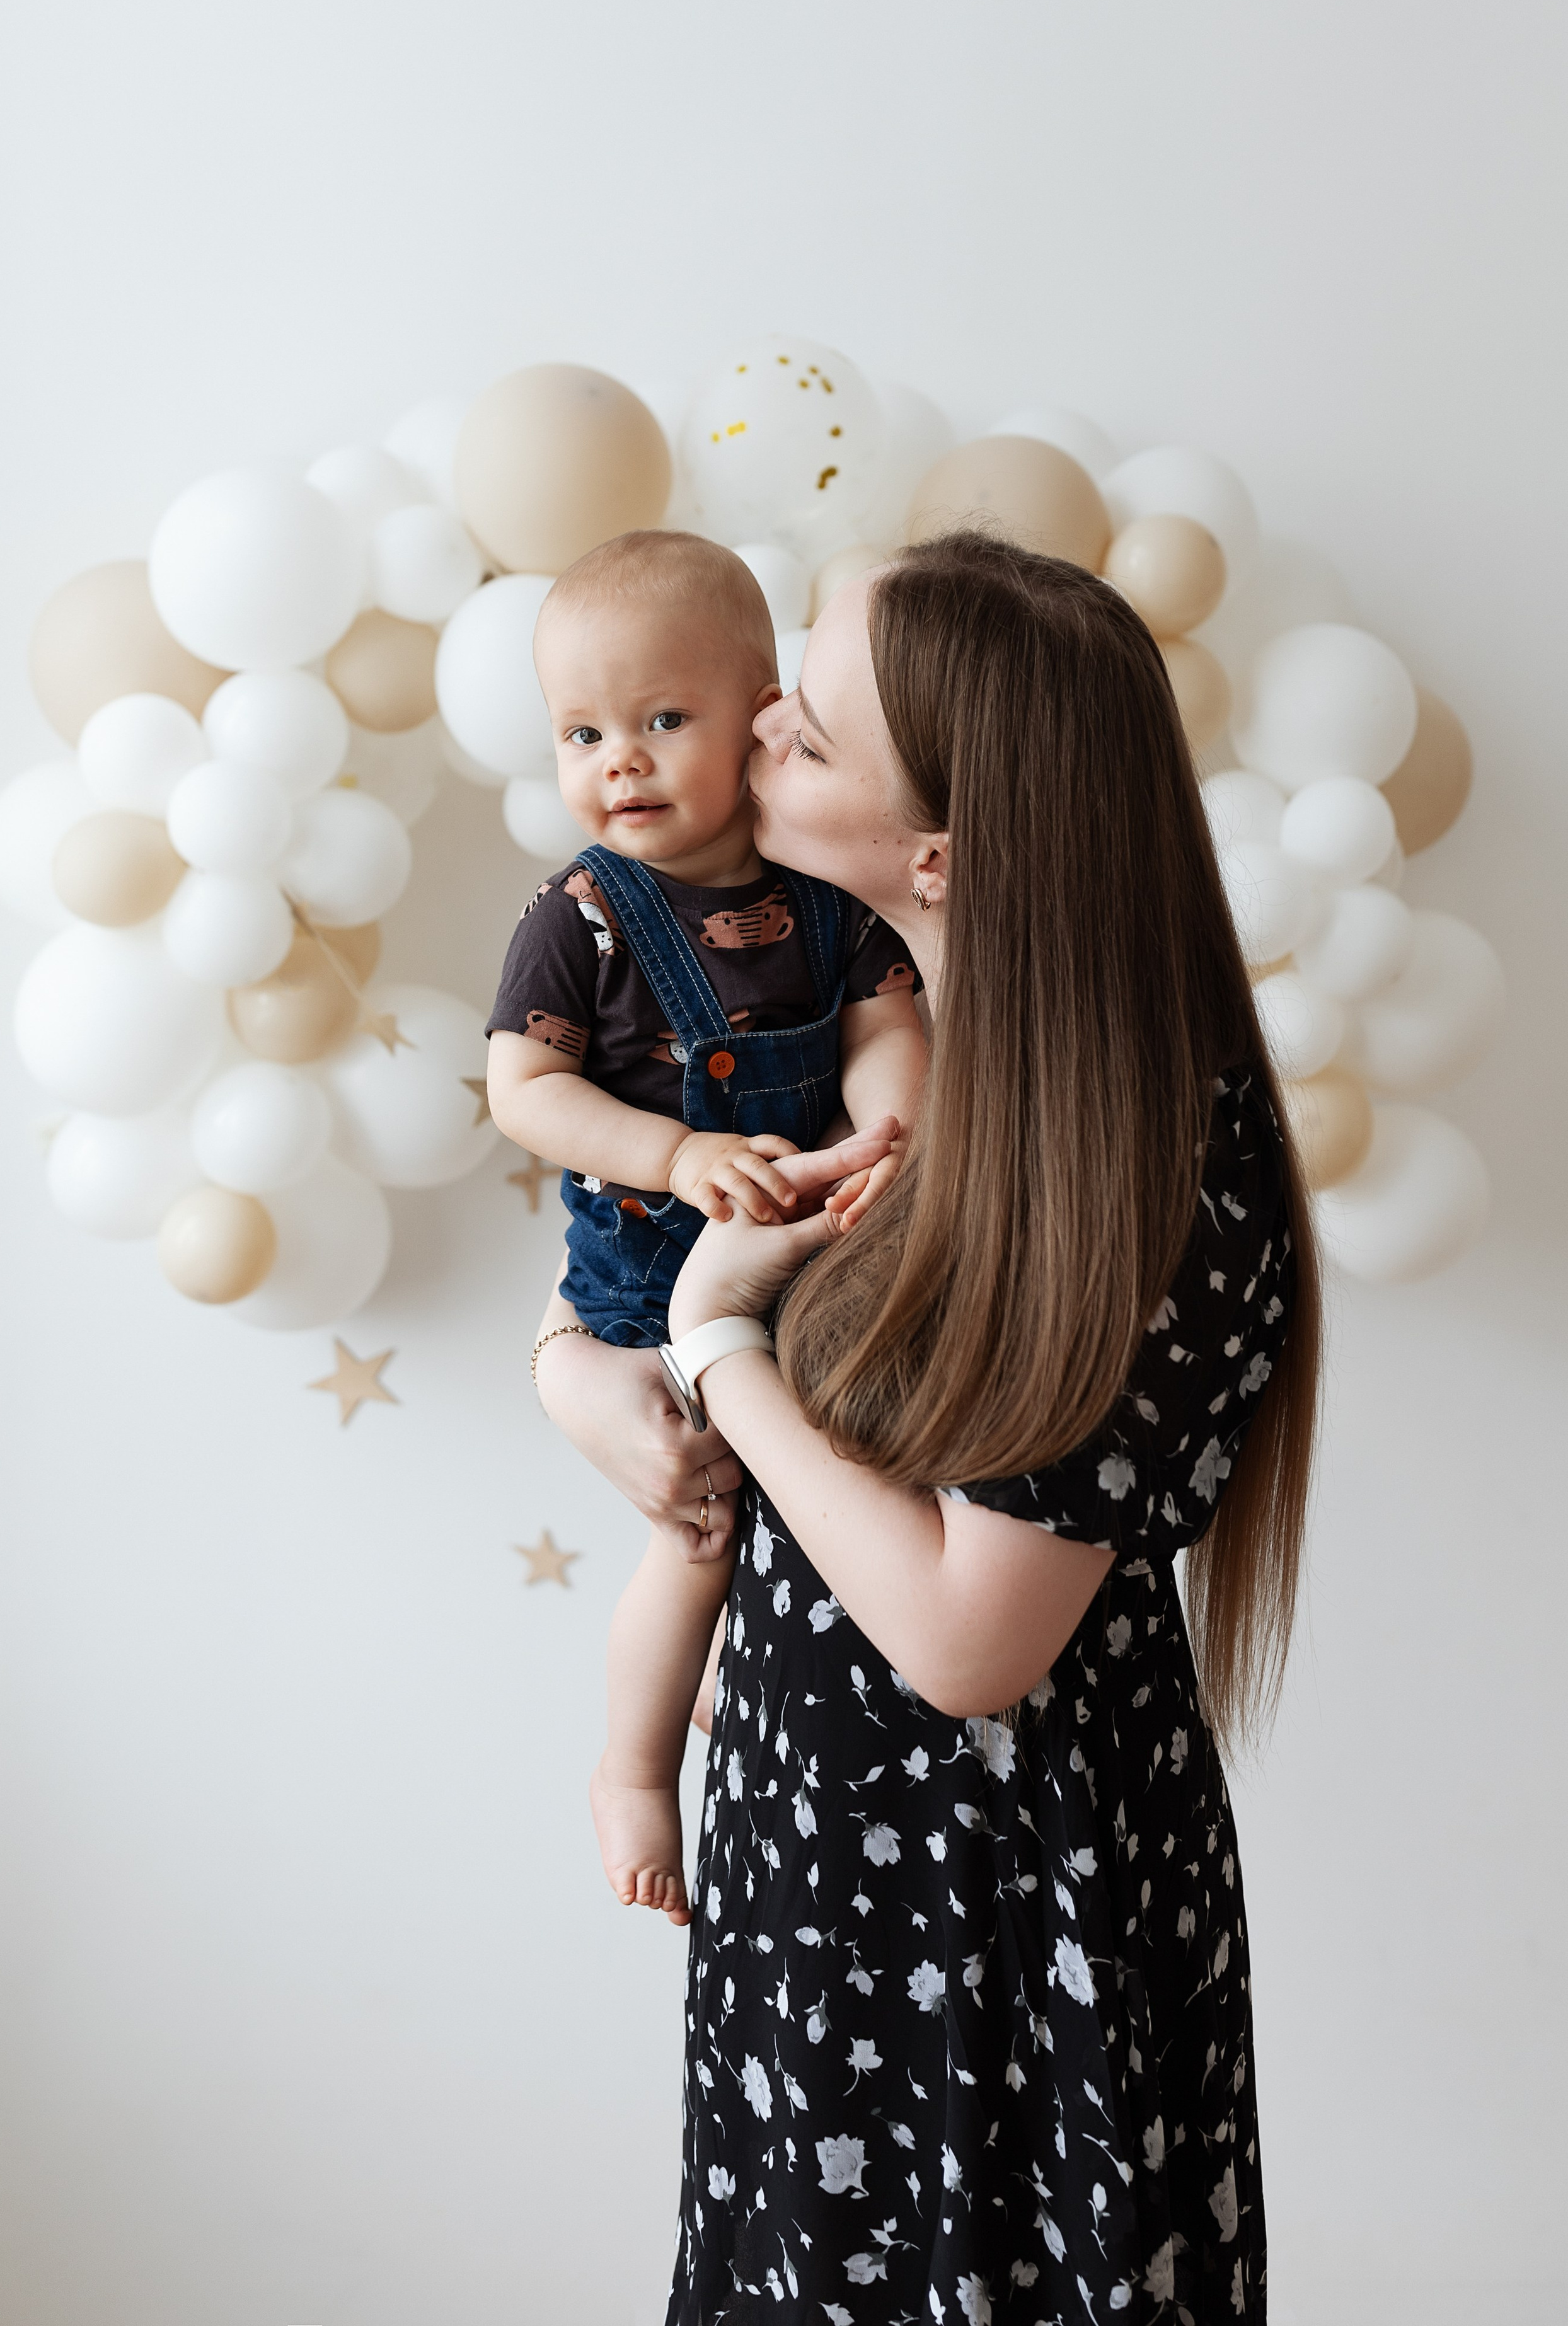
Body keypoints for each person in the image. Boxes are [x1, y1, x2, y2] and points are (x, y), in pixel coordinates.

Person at [533, 531, 1321, 2321]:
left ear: (943, 851)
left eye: (808, 732)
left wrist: (724, 1354)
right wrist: (583, 1375)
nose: (757, 734)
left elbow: (974, 1637)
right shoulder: (891, 1044)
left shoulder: (1148, 1159)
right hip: (825, 1879)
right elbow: (654, 1280)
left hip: (997, 1920)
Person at [487, 529, 927, 1923]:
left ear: (762, 718)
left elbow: (886, 1026)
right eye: (581, 731)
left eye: (661, 721)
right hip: (648, 1282)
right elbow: (526, 1088)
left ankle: (768, 1709)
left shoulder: (823, 900)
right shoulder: (581, 917)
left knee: (825, 1505)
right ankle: (630, 1772)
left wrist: (882, 1145)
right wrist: (672, 1152)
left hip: (809, 1263)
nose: (618, 760)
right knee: (696, 1531)